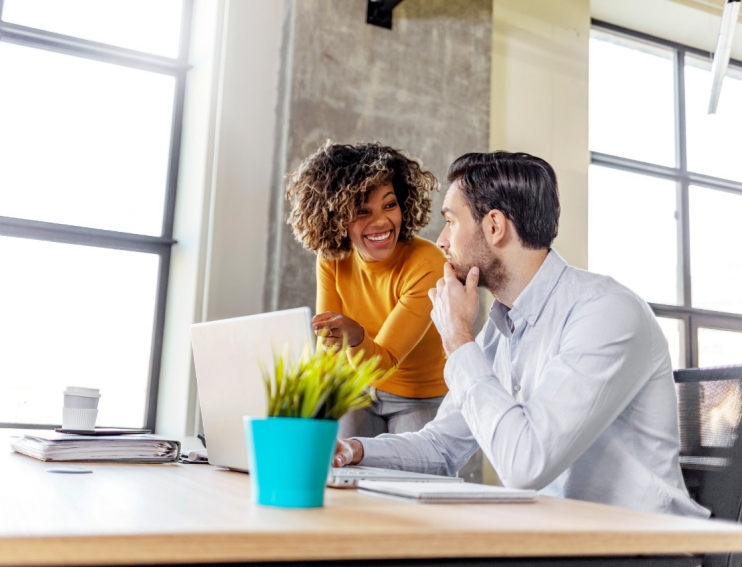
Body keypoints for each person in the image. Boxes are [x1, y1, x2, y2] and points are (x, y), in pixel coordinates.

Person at [333, 151, 709, 517]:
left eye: (451, 222)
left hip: (644, 547)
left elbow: (524, 466)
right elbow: (441, 446)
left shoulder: (605, 312)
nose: (442, 241)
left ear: (494, 226)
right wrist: (352, 450)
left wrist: (457, 338)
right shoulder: (503, 329)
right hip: (559, 539)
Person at [285, 141, 448, 437]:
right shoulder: (333, 257)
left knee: (407, 481)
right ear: (337, 218)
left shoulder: (427, 263)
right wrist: (312, 406)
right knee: (339, 472)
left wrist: (355, 335)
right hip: (357, 388)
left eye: (389, 204)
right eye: (362, 211)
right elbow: (329, 346)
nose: (382, 221)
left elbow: (383, 362)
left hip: (417, 397)